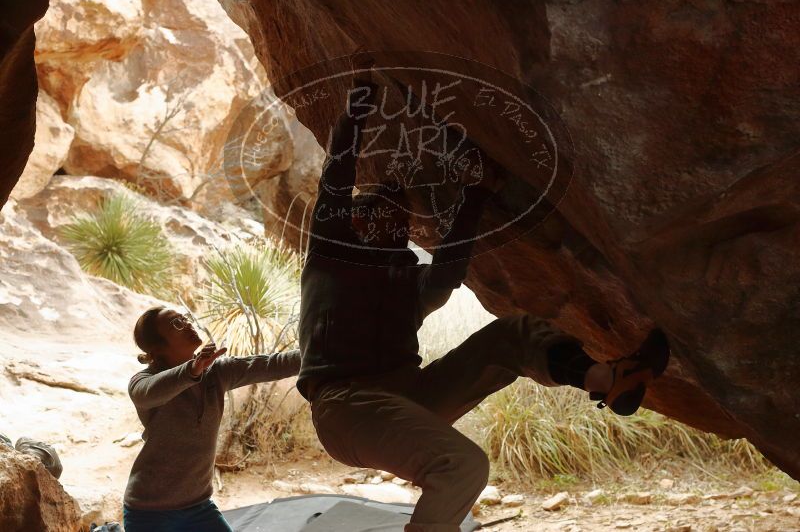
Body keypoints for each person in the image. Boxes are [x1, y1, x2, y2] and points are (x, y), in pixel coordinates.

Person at [297, 56, 670, 532]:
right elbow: (337, 174)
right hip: (347, 407)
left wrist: (474, 198)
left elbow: (449, 273)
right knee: (464, 465)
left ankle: (605, 378)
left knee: (515, 334)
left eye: (398, 214)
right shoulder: (332, 258)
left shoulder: (408, 284)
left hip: (410, 397)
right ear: (354, 222)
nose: (390, 217)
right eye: (377, 209)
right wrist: (361, 97)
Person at [123, 306, 301, 532]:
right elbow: (148, 394)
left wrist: (324, 354)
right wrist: (193, 369)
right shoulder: (143, 380)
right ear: (157, 347)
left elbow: (273, 364)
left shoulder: (216, 372)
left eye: (184, 318)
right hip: (149, 511)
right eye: (176, 324)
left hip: (198, 506)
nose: (187, 324)